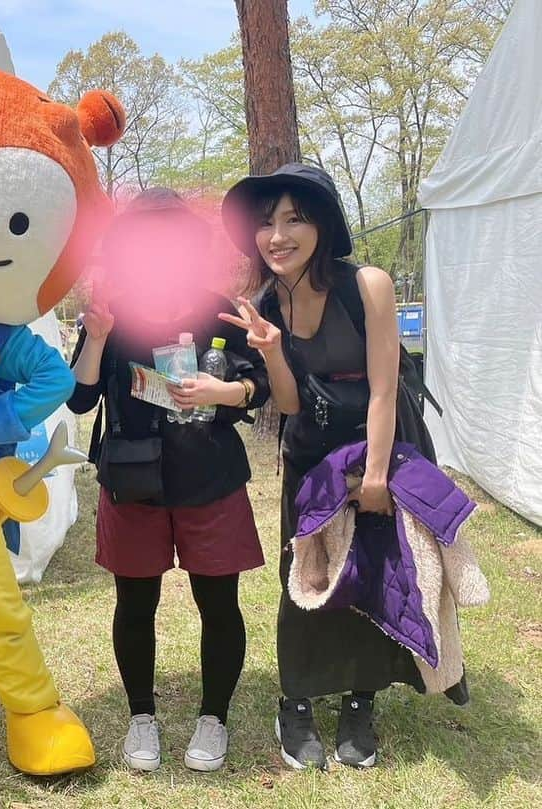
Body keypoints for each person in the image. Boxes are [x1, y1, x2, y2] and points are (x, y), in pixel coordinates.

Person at [220, 163, 419, 770]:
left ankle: (362, 700)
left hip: (379, 440)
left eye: (294, 219)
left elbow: (386, 389)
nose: (276, 235)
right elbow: (286, 403)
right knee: (303, 572)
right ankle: (297, 698)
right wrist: (273, 351)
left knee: (373, 569)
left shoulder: (369, 285)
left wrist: (379, 476)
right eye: (266, 223)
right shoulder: (264, 303)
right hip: (310, 452)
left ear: (323, 224)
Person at [67, 188, 269, 774]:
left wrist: (222, 391)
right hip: (133, 481)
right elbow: (81, 397)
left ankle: (214, 717)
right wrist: (99, 335)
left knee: (219, 603)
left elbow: (257, 387)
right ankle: (141, 717)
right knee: (135, 601)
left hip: (210, 476)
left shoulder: (217, 309)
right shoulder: (111, 309)